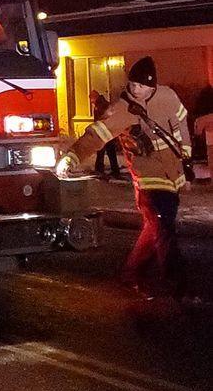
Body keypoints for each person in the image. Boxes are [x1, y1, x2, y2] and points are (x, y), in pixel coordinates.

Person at [59, 57, 192, 298]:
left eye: (141, 86)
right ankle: (176, 281)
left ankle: (131, 275)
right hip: (147, 178)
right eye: (132, 84)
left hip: (172, 175)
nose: (135, 90)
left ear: (153, 86)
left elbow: (182, 125)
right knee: (163, 226)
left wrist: (187, 159)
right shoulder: (123, 109)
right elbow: (95, 136)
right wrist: (72, 157)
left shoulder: (168, 96)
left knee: (155, 227)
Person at [90, 91, 122, 179]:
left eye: (91, 98)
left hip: (104, 132)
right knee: (109, 151)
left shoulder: (100, 105)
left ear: (94, 97)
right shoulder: (103, 103)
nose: (91, 101)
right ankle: (114, 170)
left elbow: (100, 119)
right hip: (107, 132)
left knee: (102, 151)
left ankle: (100, 169)